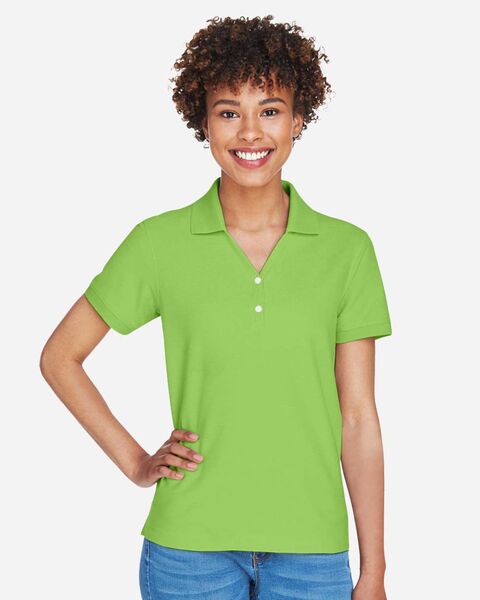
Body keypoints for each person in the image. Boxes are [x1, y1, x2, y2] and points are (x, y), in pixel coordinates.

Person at [40, 14, 392, 600]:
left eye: (270, 110)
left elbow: (358, 418)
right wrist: (136, 463)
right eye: (229, 112)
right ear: (203, 122)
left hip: (312, 553)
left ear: (298, 118)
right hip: (188, 551)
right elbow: (60, 357)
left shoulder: (347, 250)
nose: (250, 132)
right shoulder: (158, 243)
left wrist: (374, 570)